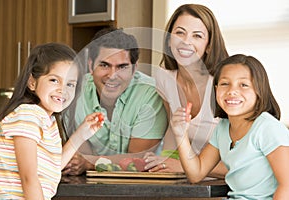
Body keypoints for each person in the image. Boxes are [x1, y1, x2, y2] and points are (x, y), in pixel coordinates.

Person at [0, 43, 103, 199]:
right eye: (54, 80)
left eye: (70, 84)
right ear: (32, 82)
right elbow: (29, 177)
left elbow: (52, 169)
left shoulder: (47, 120)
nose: (63, 89)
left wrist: (81, 134)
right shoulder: (28, 114)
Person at [171, 54, 289, 199]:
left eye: (243, 85)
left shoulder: (268, 127)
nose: (232, 91)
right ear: (216, 89)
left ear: (259, 91)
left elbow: (287, 186)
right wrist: (180, 134)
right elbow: (196, 173)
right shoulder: (223, 127)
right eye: (225, 84)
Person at [62, 27, 168, 175]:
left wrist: (89, 163)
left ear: (134, 68)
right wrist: (86, 162)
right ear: (91, 66)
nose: (112, 75)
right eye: (104, 65)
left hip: (144, 183)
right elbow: (82, 156)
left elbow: (137, 162)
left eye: (122, 67)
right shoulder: (74, 92)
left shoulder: (150, 94)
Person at [144, 4, 228, 177]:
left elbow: (245, 167)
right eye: (180, 33)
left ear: (209, 45)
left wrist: (184, 166)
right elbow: (172, 130)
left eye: (197, 35)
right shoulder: (164, 78)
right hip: (194, 179)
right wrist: (165, 164)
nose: (186, 41)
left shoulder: (223, 86)